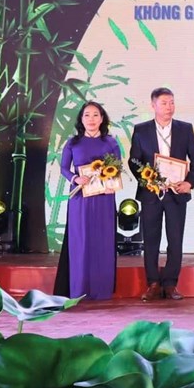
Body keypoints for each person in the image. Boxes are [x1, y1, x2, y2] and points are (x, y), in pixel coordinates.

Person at [128, 87, 194, 301]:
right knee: (151, 240)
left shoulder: (185, 129)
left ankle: (170, 284)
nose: (169, 107)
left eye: (171, 102)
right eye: (164, 103)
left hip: (176, 194)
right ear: (153, 106)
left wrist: (189, 182)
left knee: (175, 240)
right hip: (151, 195)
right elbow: (134, 161)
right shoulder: (141, 130)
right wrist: (148, 179)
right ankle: (152, 283)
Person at [54, 101, 120, 300]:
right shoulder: (73, 143)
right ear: (81, 120)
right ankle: (79, 288)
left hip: (104, 199)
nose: (91, 119)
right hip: (80, 199)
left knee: (103, 241)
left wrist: (112, 184)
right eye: (87, 115)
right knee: (80, 242)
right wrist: (75, 178)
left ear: (102, 118)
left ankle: (102, 289)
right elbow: (64, 168)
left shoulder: (111, 142)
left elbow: (116, 167)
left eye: (95, 115)